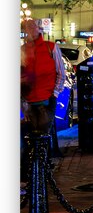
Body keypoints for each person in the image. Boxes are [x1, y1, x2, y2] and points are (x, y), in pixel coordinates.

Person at [21, 18, 66, 172]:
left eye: (33, 26)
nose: (31, 29)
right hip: (29, 102)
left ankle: (42, 168)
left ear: (39, 29)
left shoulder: (50, 47)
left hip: (46, 100)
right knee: (31, 137)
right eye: (28, 27)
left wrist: (54, 93)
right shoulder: (22, 50)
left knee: (43, 135)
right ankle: (35, 169)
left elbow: (61, 72)